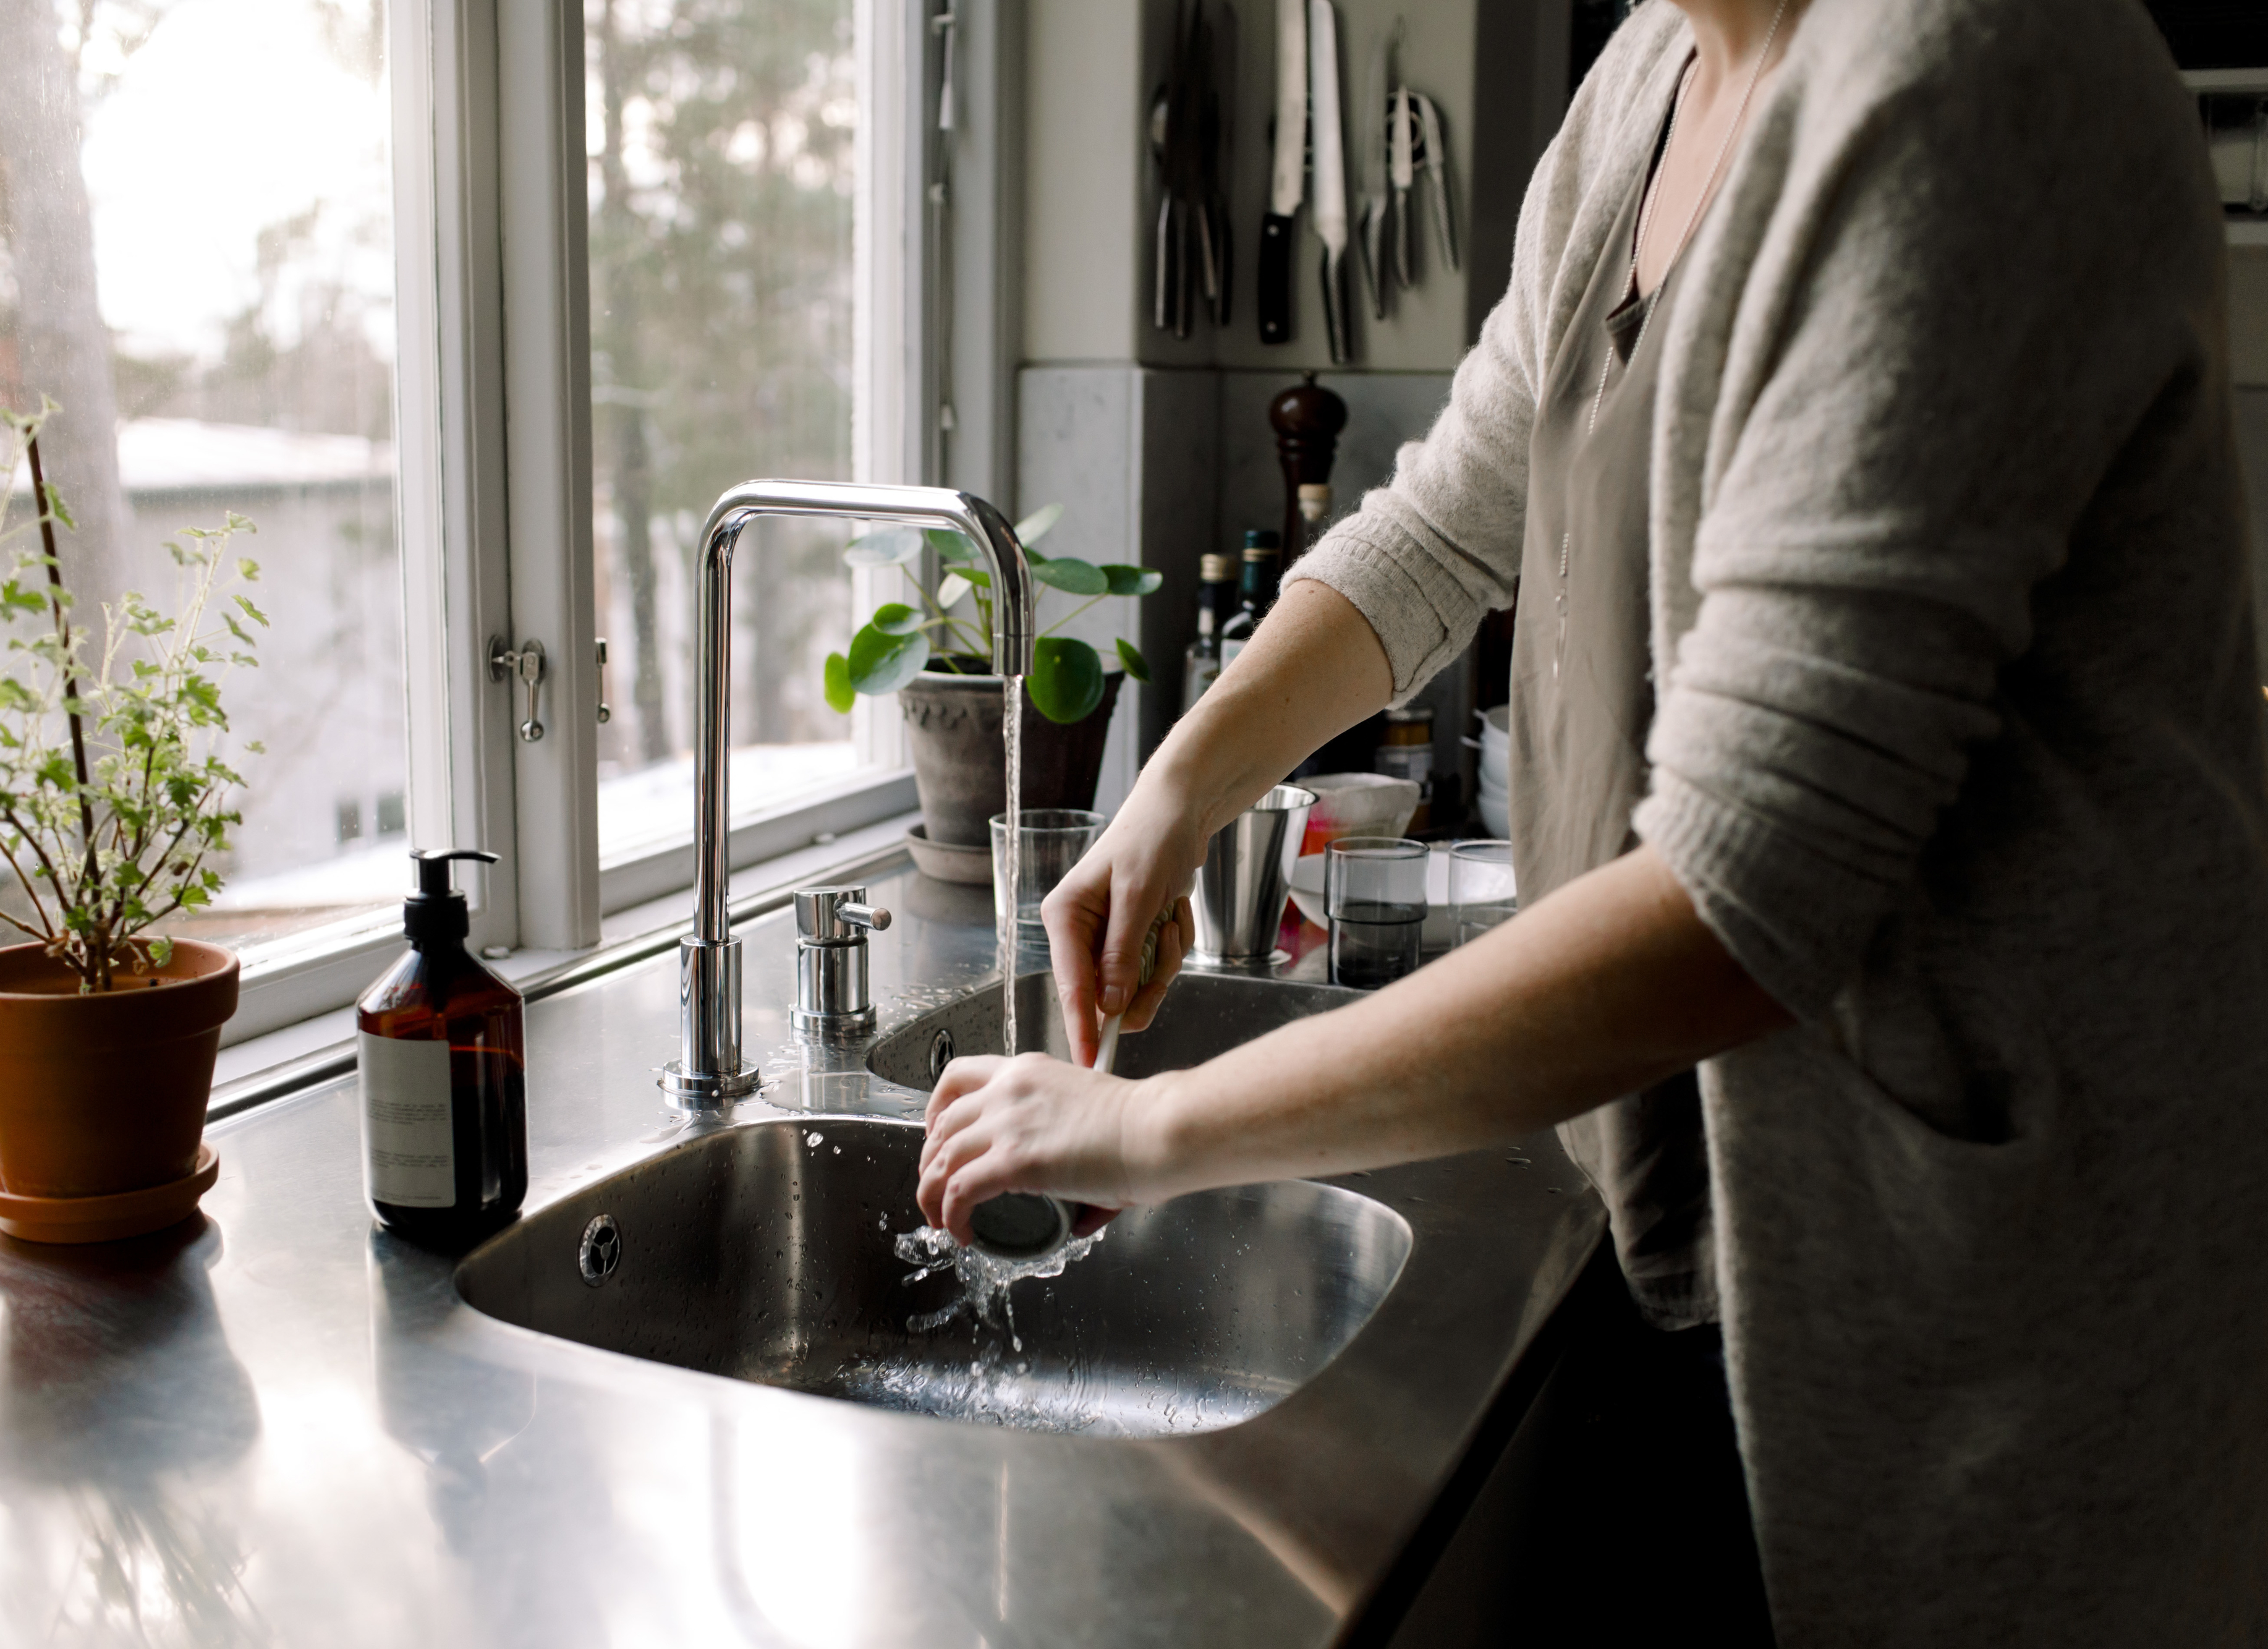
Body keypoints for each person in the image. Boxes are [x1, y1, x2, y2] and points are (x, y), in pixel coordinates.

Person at [914, 0, 2268, 1641]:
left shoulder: (1970, 69)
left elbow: (1742, 896)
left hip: (1977, 1319)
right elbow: (1444, 522)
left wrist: (1154, 1127)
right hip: (1685, 1251)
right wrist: (1183, 779)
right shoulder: (1652, 77)